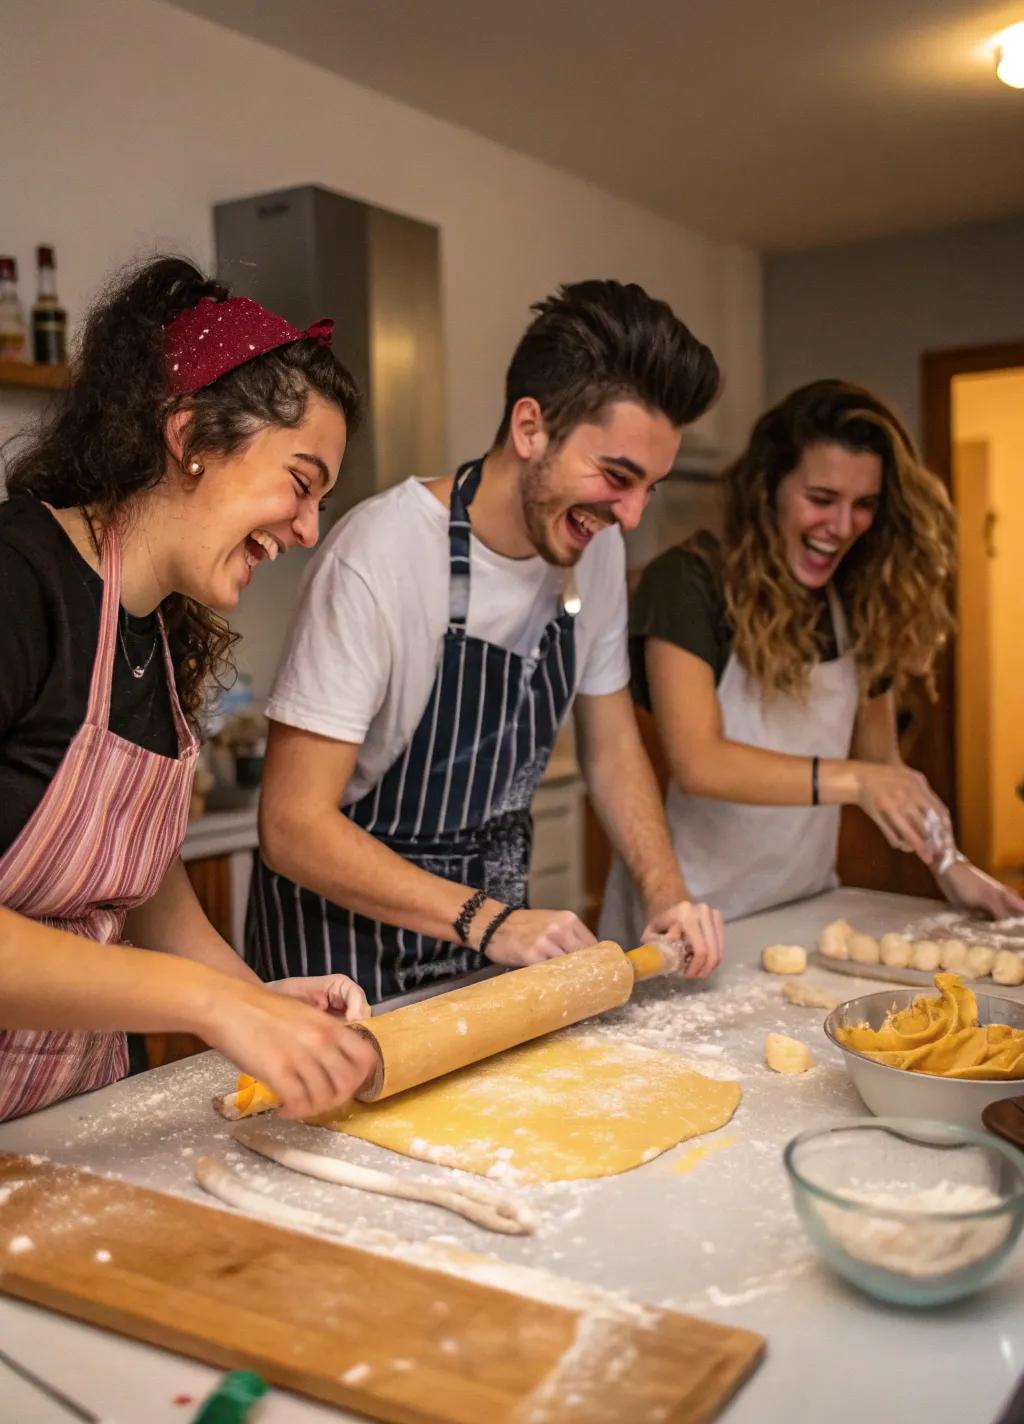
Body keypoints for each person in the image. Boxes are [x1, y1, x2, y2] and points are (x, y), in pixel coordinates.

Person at [247, 279, 726, 1002]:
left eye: (648, 489)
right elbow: (291, 825)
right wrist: (487, 919)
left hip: (487, 960)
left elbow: (612, 743)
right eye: (616, 476)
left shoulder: (590, 551)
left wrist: (665, 892)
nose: (629, 517)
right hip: (342, 971)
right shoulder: (382, 554)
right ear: (530, 427)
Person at [0, 257, 376, 1124]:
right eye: (301, 482)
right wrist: (213, 1007)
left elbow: (140, 886)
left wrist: (260, 1006)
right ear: (192, 438)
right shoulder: (17, 582)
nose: (309, 529)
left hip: (66, 1122)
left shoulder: (153, 630)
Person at [601, 378, 1024, 939]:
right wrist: (858, 780)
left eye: (864, 505)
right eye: (821, 500)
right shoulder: (688, 582)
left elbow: (882, 763)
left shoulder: (856, 600)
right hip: (688, 918)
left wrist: (950, 865)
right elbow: (699, 762)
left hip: (804, 905)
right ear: (770, 486)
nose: (842, 526)